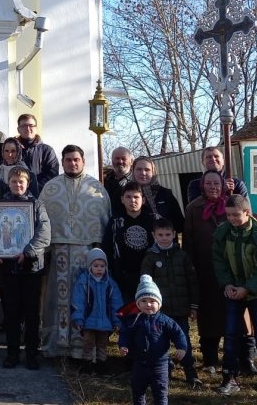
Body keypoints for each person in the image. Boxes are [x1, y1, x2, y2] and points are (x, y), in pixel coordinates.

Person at [38, 144, 110, 360]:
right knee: (56, 300)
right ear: (62, 162)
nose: (72, 163)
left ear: (83, 161)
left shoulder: (96, 188)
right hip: (58, 252)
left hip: (87, 254)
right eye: (68, 160)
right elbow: (40, 220)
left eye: (76, 159)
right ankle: (56, 346)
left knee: (84, 298)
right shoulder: (50, 188)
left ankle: (84, 349)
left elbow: (104, 219)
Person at [211, 195, 257, 397]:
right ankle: (229, 377)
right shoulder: (222, 232)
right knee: (230, 334)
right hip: (232, 290)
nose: (231, 218)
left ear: (247, 212)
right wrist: (227, 284)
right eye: (228, 214)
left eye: (235, 215)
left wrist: (247, 288)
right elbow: (219, 261)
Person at [0, 167, 52, 370]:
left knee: (32, 314)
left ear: (27, 183)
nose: (18, 185)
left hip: (31, 267)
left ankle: (32, 354)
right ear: (9, 182)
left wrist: (28, 251)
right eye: (14, 181)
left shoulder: (36, 205)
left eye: (21, 182)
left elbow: (44, 233)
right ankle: (12, 354)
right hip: (7, 268)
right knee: (11, 313)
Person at [139, 218, 200, 389]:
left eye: (168, 234)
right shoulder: (150, 258)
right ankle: (163, 370)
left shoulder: (182, 255)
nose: (164, 238)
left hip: (181, 309)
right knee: (159, 341)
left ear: (174, 234)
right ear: (154, 235)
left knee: (183, 339)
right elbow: (145, 283)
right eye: (160, 234)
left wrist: (194, 306)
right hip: (160, 311)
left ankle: (190, 370)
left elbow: (192, 281)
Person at [182, 169, 231, 373]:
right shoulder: (194, 208)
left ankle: (234, 358)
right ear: (202, 186)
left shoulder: (231, 204)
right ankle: (210, 358)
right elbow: (188, 240)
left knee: (232, 315)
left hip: (230, 270)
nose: (213, 187)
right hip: (204, 268)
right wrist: (190, 267)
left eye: (216, 184)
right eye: (209, 183)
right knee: (208, 316)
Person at [118, 275, 188, 405]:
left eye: (152, 301)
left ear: (159, 303)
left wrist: (181, 347)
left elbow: (178, 334)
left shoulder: (165, 321)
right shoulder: (134, 320)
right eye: (143, 301)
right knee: (138, 391)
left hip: (160, 364)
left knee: (160, 393)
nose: (148, 304)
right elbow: (125, 334)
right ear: (138, 303)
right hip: (139, 363)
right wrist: (123, 345)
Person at [71, 247, 124, 375]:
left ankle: (101, 365)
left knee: (102, 344)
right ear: (90, 266)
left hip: (105, 322)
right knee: (88, 344)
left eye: (102, 266)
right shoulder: (83, 282)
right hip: (89, 321)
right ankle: (87, 365)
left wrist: (117, 320)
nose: (99, 269)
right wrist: (78, 318)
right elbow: (78, 301)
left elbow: (116, 303)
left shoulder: (110, 284)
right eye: (96, 266)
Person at [104, 186, 155, 302]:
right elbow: (107, 248)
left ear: (143, 200)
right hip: (122, 278)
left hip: (149, 278)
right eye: (128, 197)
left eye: (136, 197)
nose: (132, 200)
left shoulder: (153, 221)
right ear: (122, 199)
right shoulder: (115, 222)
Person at [131, 156, 184, 236]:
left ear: (153, 172)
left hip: (163, 245)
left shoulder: (165, 194)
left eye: (147, 170)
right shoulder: (126, 195)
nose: (143, 173)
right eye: (139, 169)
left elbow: (179, 224)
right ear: (133, 171)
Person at [14, 113, 59, 191]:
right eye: (24, 126)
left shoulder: (47, 150)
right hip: (15, 195)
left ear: (36, 128)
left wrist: (34, 188)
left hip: (41, 194)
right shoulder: (11, 149)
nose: (28, 128)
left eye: (31, 125)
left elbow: (52, 174)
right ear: (18, 129)